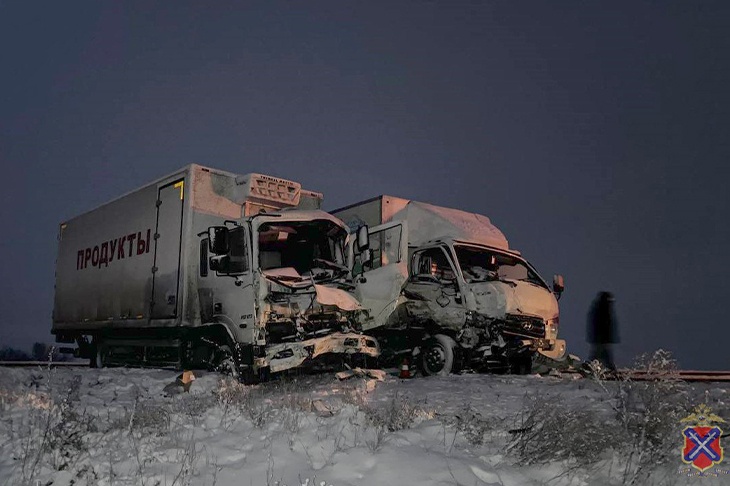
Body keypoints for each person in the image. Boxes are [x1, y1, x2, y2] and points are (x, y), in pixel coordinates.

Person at [587, 291, 619, 371]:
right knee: (604, 356)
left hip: (600, 339)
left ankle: (589, 368)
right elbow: (604, 325)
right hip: (601, 339)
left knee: (597, 355)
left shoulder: (600, 309)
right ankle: (612, 371)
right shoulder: (603, 310)